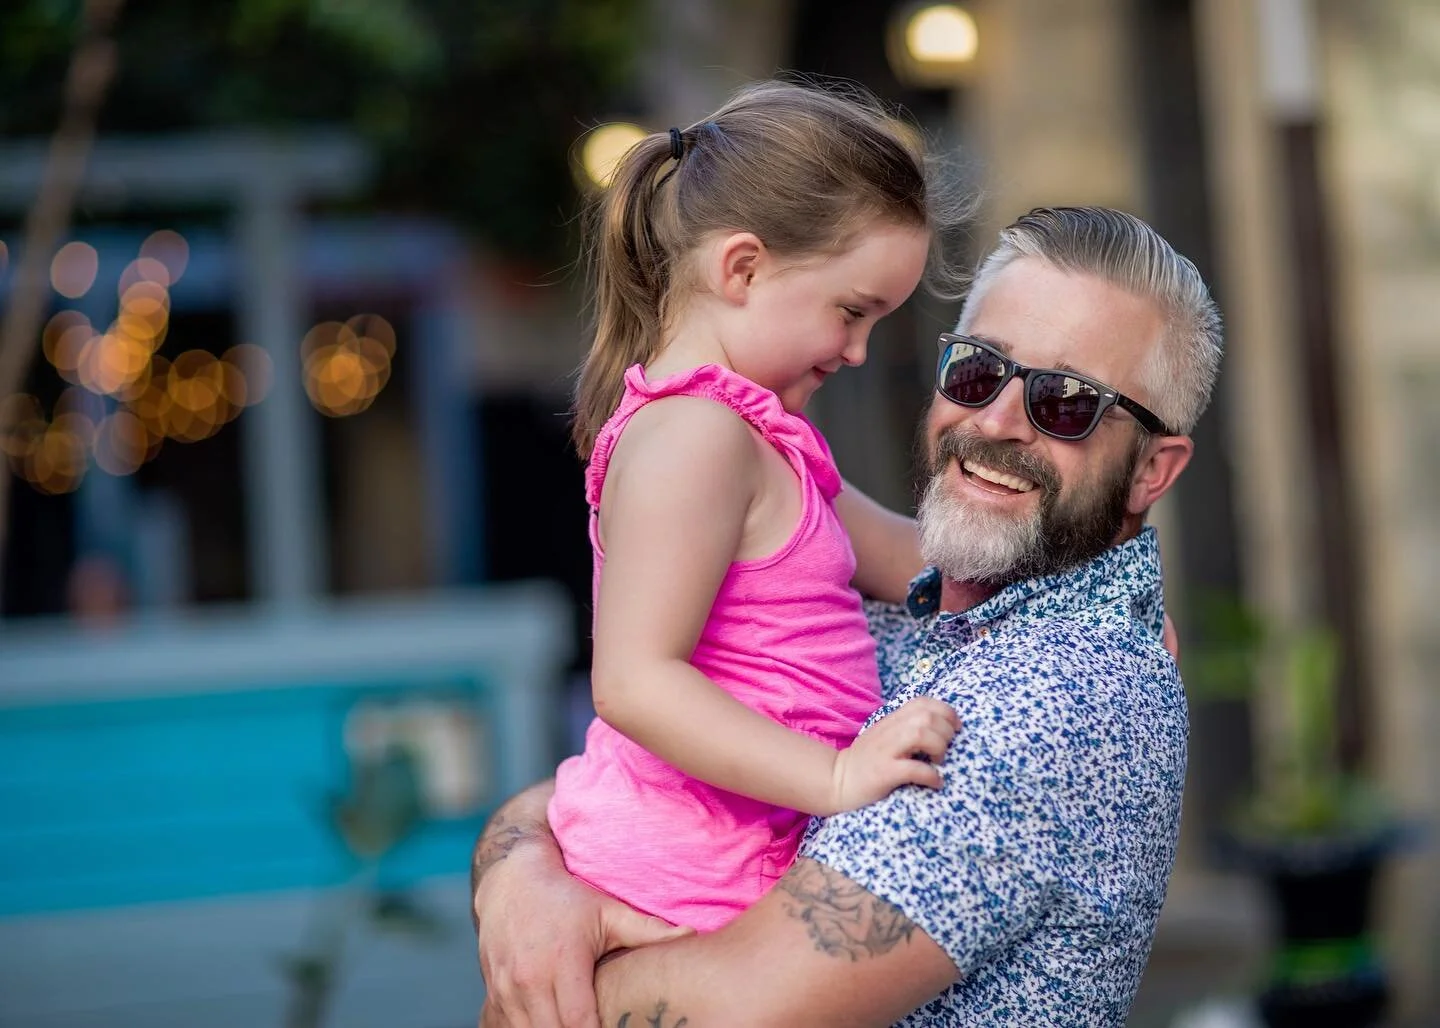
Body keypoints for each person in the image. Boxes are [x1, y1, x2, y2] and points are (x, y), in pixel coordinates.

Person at [470, 205, 1223, 1027]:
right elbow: (632, 769)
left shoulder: (1061, 695)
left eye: (1067, 402)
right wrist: (526, 883)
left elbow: (738, 1013)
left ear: (1153, 469)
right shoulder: (888, 605)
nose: (996, 421)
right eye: (978, 370)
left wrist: (539, 991)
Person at [547, 78, 974, 935]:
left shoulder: (757, 433)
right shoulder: (693, 436)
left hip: (737, 850)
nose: (857, 352)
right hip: (688, 868)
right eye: (851, 313)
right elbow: (634, 681)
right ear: (742, 267)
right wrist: (836, 777)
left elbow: (908, 559)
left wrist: (1084, 592)